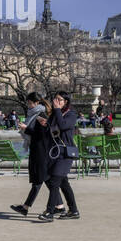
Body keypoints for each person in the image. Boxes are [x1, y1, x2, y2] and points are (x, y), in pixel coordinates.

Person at [34, 91, 80, 220]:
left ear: (65, 102)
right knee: (64, 183)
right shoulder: (56, 113)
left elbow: (63, 125)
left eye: (59, 99)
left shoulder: (71, 114)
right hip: (55, 152)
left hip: (66, 153)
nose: (56, 101)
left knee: (54, 182)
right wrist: (45, 124)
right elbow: (52, 130)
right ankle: (74, 211)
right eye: (55, 99)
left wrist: (58, 111)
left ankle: (50, 212)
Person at [10, 92, 49, 216]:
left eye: (30, 103)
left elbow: (41, 134)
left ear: (36, 103)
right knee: (48, 180)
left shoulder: (41, 114)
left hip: (40, 151)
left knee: (39, 180)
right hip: (37, 150)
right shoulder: (35, 114)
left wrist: (26, 128)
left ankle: (25, 207)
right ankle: (60, 206)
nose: (28, 105)